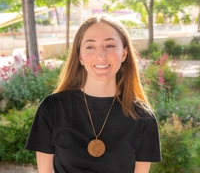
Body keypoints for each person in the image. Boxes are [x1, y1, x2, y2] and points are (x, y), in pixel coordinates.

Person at [25, 14, 161, 173]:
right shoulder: (52, 109)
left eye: (109, 45)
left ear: (124, 54)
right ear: (80, 57)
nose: (101, 55)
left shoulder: (143, 118)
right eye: (90, 46)